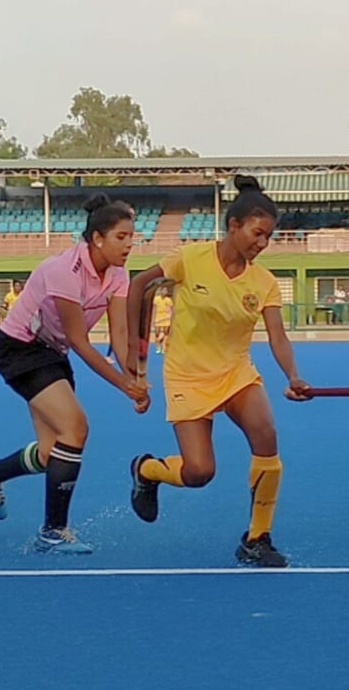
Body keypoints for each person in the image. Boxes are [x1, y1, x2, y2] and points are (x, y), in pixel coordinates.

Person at [125, 175, 311, 568]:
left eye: (268, 238)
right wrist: (135, 361)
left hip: (235, 373)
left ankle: (257, 538)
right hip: (186, 375)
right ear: (234, 226)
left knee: (266, 435)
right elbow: (140, 285)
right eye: (257, 234)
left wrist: (293, 376)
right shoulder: (190, 259)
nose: (262, 245)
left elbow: (277, 337)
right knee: (199, 472)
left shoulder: (264, 283)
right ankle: (148, 470)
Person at [0, 194, 149, 554]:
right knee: (76, 428)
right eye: (121, 237)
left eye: (133, 237)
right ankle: (53, 531)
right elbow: (82, 344)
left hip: (53, 353)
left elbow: (119, 337)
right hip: (19, 349)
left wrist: (136, 374)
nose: (130, 244)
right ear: (97, 238)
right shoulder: (63, 270)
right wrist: (125, 387)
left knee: (53, 453)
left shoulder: (117, 274)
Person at [152, 286, 173, 354]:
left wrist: (170, 316)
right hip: (158, 317)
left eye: (166, 291)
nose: (165, 292)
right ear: (161, 291)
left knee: (166, 332)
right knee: (157, 333)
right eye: (163, 290)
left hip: (166, 318)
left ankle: (164, 347)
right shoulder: (156, 299)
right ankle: (158, 346)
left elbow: (170, 309)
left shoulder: (168, 300)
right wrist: (153, 319)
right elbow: (154, 309)